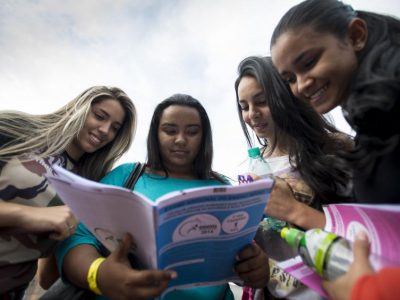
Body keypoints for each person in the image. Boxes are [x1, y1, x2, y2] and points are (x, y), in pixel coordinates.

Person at [54, 94, 270, 300]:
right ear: (155, 134)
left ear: (204, 137)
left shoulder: (223, 187)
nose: (180, 140)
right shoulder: (126, 176)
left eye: (192, 131)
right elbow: (78, 236)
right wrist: (99, 275)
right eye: (169, 130)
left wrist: (256, 267)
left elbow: (242, 254)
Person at [270, 0, 400, 298]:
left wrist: (366, 289)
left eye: (309, 62)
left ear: (355, 36)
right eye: (289, 79)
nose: (301, 85)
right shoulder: (371, 123)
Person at [0, 86, 137, 298]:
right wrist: (28, 216)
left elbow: (46, 279)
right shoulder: (16, 129)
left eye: (114, 128)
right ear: (80, 107)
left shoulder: (88, 185)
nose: (104, 130)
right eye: (100, 116)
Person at [235, 56, 352, 299]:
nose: (252, 114)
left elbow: (365, 231)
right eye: (244, 107)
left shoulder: (335, 149)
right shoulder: (251, 173)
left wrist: (294, 206)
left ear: (284, 95)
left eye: (261, 102)